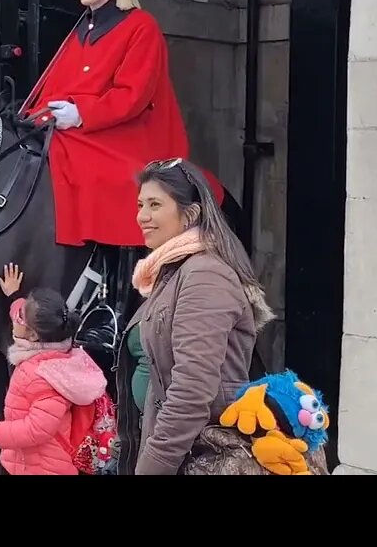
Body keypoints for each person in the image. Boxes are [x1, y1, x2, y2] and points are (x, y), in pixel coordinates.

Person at [17, 0, 237, 367]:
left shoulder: (142, 28)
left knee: (112, 180)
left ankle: (113, 302)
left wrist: (81, 114)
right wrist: (36, 114)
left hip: (132, 136)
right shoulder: (82, 29)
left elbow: (133, 95)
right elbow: (56, 82)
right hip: (84, 129)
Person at [114, 158, 273, 475]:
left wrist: (152, 466)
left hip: (198, 454)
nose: (142, 216)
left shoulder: (205, 275)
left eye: (155, 204)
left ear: (190, 214)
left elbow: (192, 391)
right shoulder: (175, 271)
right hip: (178, 451)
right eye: (140, 204)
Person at [0, 263, 108, 475]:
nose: (15, 318)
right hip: (26, 463)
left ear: (34, 336)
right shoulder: (54, 353)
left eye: (19, 318)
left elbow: (38, 429)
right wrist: (14, 295)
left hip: (43, 468)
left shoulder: (46, 375)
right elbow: (22, 313)